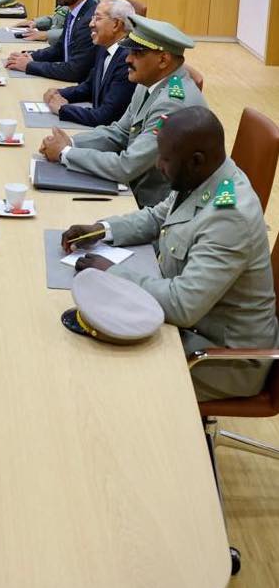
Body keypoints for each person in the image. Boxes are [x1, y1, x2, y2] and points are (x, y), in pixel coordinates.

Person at [62, 107, 279, 401]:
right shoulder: (203, 177)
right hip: (191, 328)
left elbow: (182, 305)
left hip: (224, 358)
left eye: (164, 159)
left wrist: (112, 273)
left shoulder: (230, 217)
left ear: (196, 160)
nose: (157, 164)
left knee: (103, 374)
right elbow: (157, 217)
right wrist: (102, 230)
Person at [39, 13, 207, 208]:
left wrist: (65, 153)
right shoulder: (149, 82)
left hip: (156, 207)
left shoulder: (172, 104)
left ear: (163, 60)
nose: (127, 59)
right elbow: (119, 133)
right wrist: (72, 142)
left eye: (137, 53)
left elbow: (127, 166)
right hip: (135, 190)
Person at [42, 0, 136, 127]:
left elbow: (106, 117)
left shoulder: (128, 59)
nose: (91, 24)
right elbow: (89, 87)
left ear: (116, 24)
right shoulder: (104, 47)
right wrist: (59, 93)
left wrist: (63, 109)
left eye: (97, 18)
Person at [5, 0, 98, 81]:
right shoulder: (74, 10)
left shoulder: (90, 19)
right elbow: (60, 49)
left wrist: (29, 66)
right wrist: (31, 56)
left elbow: (75, 71)